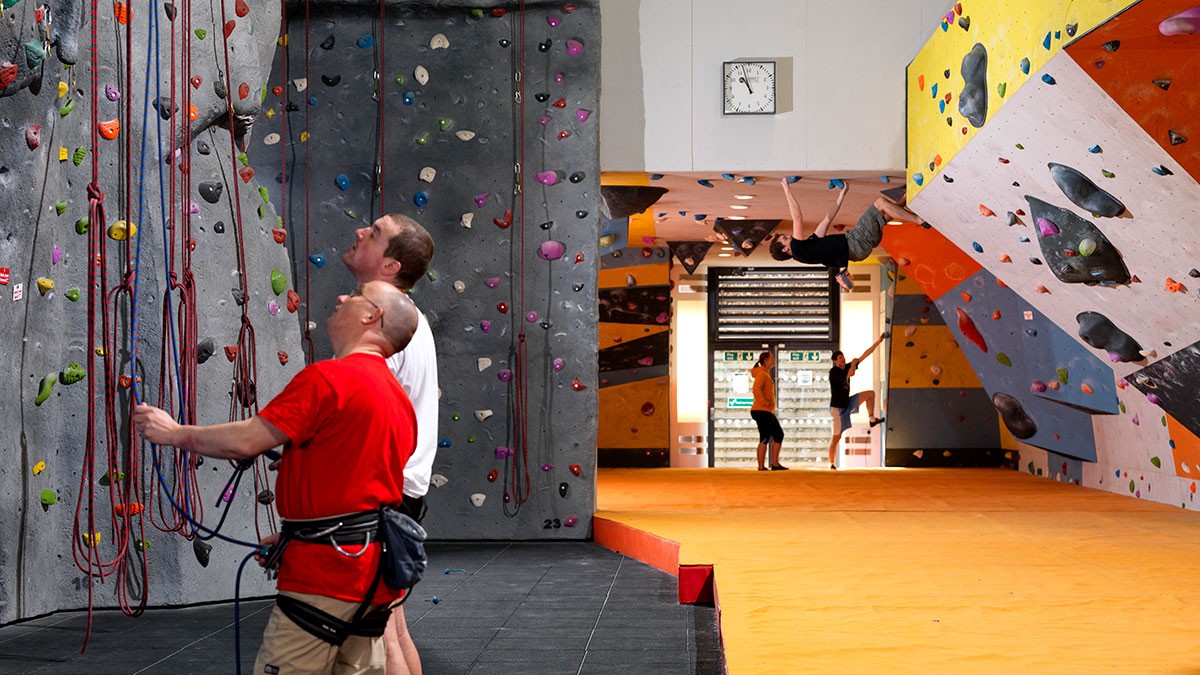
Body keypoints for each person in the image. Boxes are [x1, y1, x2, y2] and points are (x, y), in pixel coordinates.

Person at [132, 280, 421, 674]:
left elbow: (247, 440)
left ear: (372, 316)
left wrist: (174, 433)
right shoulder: (396, 398)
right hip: (370, 572)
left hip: (326, 575)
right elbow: (360, 483)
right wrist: (296, 532)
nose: (340, 296)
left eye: (354, 294)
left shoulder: (329, 380)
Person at [342, 213, 435, 675]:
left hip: (382, 492)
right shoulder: (407, 321)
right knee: (392, 623)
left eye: (374, 234)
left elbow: (370, 417)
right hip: (399, 490)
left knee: (377, 629)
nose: (361, 232)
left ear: (391, 266)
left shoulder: (384, 327)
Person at [769, 178, 922, 289]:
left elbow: (827, 220)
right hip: (854, 242)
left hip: (856, 249)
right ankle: (919, 220)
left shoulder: (808, 248)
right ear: (785, 249)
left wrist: (842, 194)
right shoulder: (797, 249)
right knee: (880, 203)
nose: (788, 236)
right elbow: (797, 216)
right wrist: (786, 190)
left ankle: (905, 198)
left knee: (882, 216)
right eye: (785, 238)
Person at [827, 332, 888, 470]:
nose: (843, 360)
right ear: (835, 361)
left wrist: (879, 341)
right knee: (836, 438)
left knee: (870, 394)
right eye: (840, 359)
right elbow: (851, 373)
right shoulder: (834, 372)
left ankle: (871, 418)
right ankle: (831, 463)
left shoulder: (848, 366)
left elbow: (865, 355)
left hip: (847, 402)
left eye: (843, 358)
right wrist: (853, 364)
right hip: (838, 409)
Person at [750, 351, 787, 471]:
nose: (774, 359)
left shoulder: (765, 373)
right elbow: (756, 390)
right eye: (772, 357)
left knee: (778, 435)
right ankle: (761, 466)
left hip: (766, 411)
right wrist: (765, 403)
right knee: (764, 437)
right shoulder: (762, 373)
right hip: (761, 410)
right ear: (765, 360)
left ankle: (775, 464)